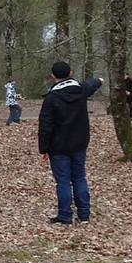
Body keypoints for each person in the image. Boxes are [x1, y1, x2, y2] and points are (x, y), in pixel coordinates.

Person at [37, 60, 102, 226]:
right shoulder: (81, 90)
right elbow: (92, 84)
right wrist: (100, 80)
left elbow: (45, 125)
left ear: (53, 77)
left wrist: (43, 148)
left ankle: (65, 216)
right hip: (79, 143)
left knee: (63, 181)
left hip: (58, 147)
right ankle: (84, 215)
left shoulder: (52, 98)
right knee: (79, 178)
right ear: (70, 73)